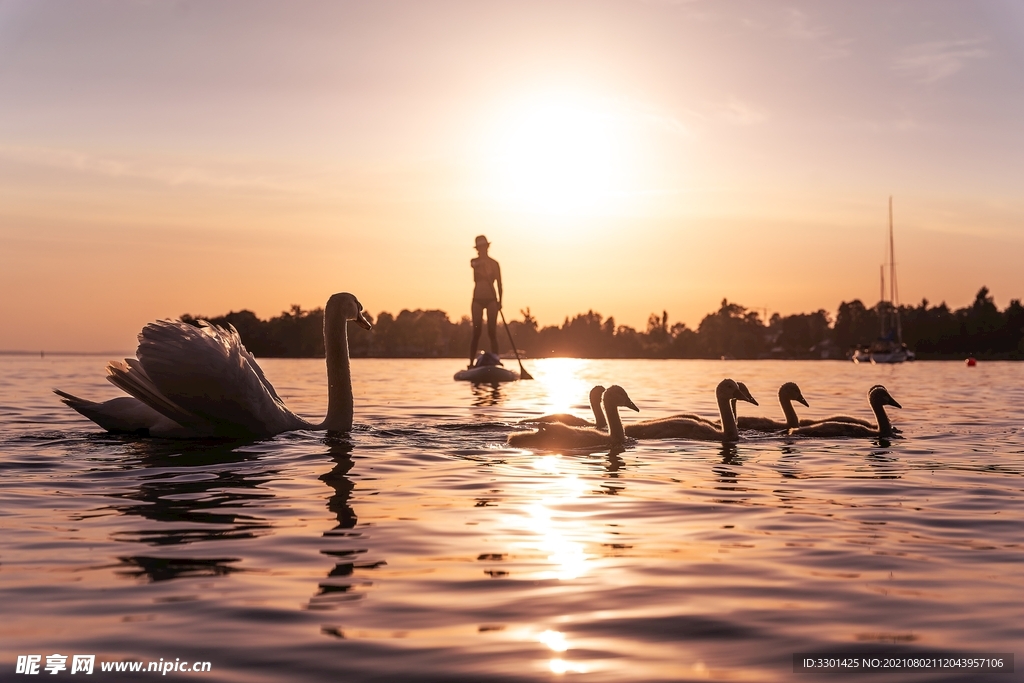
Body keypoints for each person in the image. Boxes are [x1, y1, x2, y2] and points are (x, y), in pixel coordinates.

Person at [468, 235, 502, 368]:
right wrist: (483, 266)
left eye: (484, 246)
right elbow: (474, 264)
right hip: (477, 299)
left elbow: (500, 283)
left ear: (487, 247)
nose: (482, 249)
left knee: (492, 332)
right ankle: (471, 363)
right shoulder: (475, 261)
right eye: (480, 247)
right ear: (477, 249)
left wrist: (500, 300)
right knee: (476, 332)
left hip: (492, 299)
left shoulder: (495, 264)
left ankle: (496, 360)